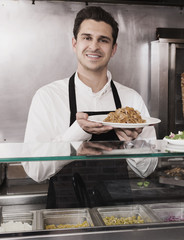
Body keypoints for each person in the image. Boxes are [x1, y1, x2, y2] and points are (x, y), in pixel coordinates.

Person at [22, 6, 157, 207]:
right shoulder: (48, 97)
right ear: (75, 43)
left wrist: (132, 143)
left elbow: (147, 170)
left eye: (103, 40)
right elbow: (35, 171)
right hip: (66, 217)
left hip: (117, 214)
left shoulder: (131, 99)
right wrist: (77, 134)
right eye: (87, 38)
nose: (94, 46)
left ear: (113, 49)